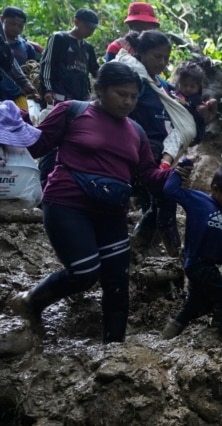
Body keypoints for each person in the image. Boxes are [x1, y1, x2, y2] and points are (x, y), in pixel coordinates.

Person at [7, 62, 174, 343]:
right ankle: (29, 301)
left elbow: (148, 176)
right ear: (100, 90)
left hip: (112, 211)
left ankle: (115, 347)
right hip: (67, 204)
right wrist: (16, 121)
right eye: (122, 94)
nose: (128, 101)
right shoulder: (73, 111)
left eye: (133, 96)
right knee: (85, 272)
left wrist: (174, 173)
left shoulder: (137, 131)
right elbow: (37, 146)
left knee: (118, 282)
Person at [115, 30, 203, 258]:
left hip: (165, 153)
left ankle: (139, 245)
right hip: (144, 152)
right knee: (165, 200)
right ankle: (174, 252)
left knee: (158, 204)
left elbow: (181, 113)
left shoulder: (163, 86)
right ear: (142, 54)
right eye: (157, 56)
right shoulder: (137, 82)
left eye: (166, 57)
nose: (162, 62)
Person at [160, 162, 222, 339]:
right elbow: (170, 191)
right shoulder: (198, 200)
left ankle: (166, 338)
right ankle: (217, 332)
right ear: (215, 189)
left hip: (207, 265)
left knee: (192, 306)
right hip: (198, 263)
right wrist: (180, 171)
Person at [40, 8, 100, 106]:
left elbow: (95, 71)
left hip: (81, 98)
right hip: (59, 95)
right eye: (87, 27)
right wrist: (48, 89)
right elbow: (47, 64)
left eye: (93, 28)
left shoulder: (88, 47)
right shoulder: (59, 38)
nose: (90, 31)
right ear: (76, 22)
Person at [1, 7, 39, 109]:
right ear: (2, 19)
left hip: (18, 94)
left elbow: (30, 71)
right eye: (12, 24)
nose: (16, 28)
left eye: (20, 26)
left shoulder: (27, 47)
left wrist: (26, 85)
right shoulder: (2, 45)